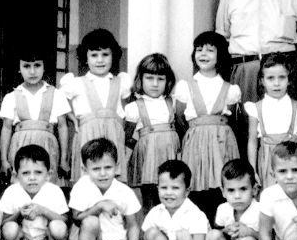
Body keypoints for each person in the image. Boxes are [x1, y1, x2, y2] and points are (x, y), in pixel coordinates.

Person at [174, 31, 242, 210]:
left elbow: (233, 120)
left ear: (220, 56)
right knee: (195, 187)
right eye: (199, 50)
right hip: (196, 143)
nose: (203, 54)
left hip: (222, 143)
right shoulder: (185, 86)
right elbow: (180, 119)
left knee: (222, 187)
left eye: (210, 50)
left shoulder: (230, 89)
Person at [69, 139, 141, 240]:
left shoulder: (124, 191)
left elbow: (133, 225)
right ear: (85, 169)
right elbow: (76, 218)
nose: (103, 173)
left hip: (115, 238)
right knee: (90, 221)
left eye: (108, 167)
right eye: (96, 169)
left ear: (117, 166)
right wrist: (99, 206)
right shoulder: (82, 186)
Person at [60, 29, 131, 183]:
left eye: (105, 54)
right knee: (88, 180)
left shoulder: (121, 83)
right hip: (87, 135)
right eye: (94, 55)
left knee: (113, 180)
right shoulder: (77, 83)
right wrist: (72, 118)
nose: (100, 60)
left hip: (113, 135)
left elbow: (124, 109)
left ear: (113, 56)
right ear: (85, 58)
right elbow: (60, 101)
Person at [0, 145, 69, 240]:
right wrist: (19, 215)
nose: (32, 178)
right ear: (16, 175)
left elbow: (64, 221)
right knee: (9, 228)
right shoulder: (11, 192)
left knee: (58, 227)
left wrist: (43, 210)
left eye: (38, 172)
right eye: (25, 173)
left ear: (48, 174)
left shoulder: (54, 191)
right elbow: (3, 224)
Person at [0, 47, 71, 184]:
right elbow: (6, 129)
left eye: (37, 65)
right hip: (19, 145)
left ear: (44, 67)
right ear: (19, 68)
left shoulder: (56, 94)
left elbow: (62, 126)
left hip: (47, 146)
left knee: (47, 183)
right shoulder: (11, 97)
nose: (32, 71)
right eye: (26, 66)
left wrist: (63, 159)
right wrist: (4, 160)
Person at [141, 160, 211, 240]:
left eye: (175, 188)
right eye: (164, 187)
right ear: (158, 188)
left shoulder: (194, 213)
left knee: (183, 236)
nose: (168, 193)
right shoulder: (156, 212)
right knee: (150, 234)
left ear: (187, 191)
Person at [124, 53, 180, 208]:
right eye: (149, 78)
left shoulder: (173, 103)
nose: (155, 84)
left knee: (171, 193)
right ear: (140, 79)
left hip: (170, 156)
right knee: (149, 196)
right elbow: (128, 138)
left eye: (160, 79)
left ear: (168, 81)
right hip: (147, 158)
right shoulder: (134, 107)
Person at [245, 52, 297, 189]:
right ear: (262, 81)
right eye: (270, 78)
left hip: (293, 161)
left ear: (289, 80)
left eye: (282, 77)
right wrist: (252, 170)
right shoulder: (255, 108)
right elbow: (252, 142)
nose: (277, 83)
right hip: (267, 162)